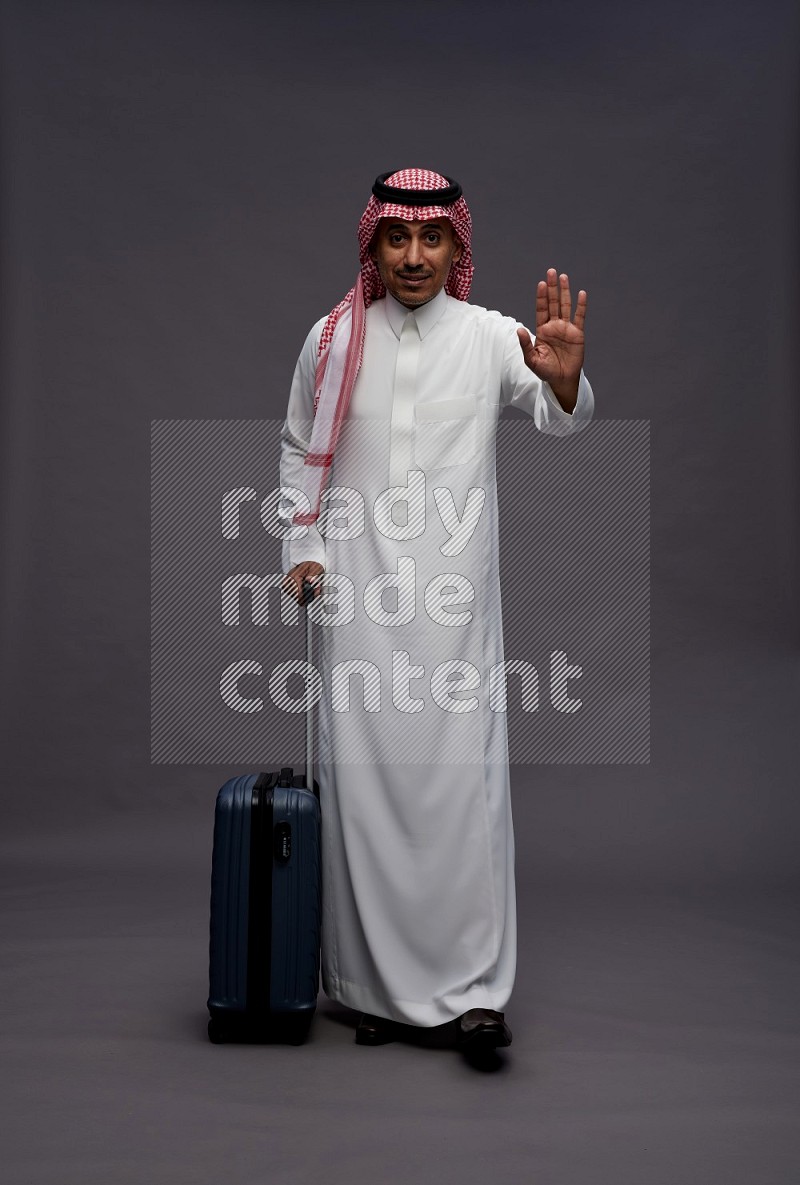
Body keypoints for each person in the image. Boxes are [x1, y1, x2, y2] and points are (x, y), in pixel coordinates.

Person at [279, 168, 594, 1056]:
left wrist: (566, 383)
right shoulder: (334, 339)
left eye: (432, 240)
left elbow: (557, 418)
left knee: (464, 797)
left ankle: (476, 995)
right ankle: (373, 990)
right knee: (365, 796)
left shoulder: (493, 337)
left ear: (458, 248)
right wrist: (301, 550)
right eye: (397, 239)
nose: (414, 257)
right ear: (373, 244)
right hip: (359, 606)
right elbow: (299, 446)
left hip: (456, 617)